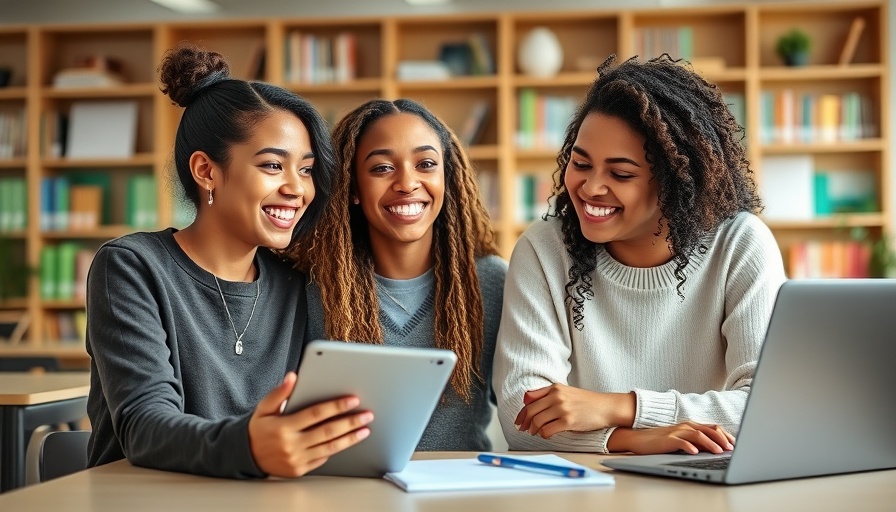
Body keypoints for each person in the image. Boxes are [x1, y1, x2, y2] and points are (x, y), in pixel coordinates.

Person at [85, 44, 373, 479]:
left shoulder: (297, 282)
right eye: (273, 165)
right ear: (206, 171)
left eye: (307, 169)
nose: (297, 189)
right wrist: (250, 448)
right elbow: (143, 427)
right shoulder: (131, 267)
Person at [493, 54, 787, 456]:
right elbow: (521, 416)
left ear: (675, 182)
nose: (591, 188)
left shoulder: (740, 244)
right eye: (581, 163)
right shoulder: (543, 250)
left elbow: (768, 407)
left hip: (704, 483)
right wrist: (634, 438)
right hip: (585, 487)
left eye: (621, 174)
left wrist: (620, 407)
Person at [286, 98, 506, 451]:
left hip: (459, 496)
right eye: (382, 168)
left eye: (426, 164)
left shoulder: (491, 283)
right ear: (353, 187)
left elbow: (523, 409)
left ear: (445, 177)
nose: (407, 182)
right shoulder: (308, 286)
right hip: (344, 495)